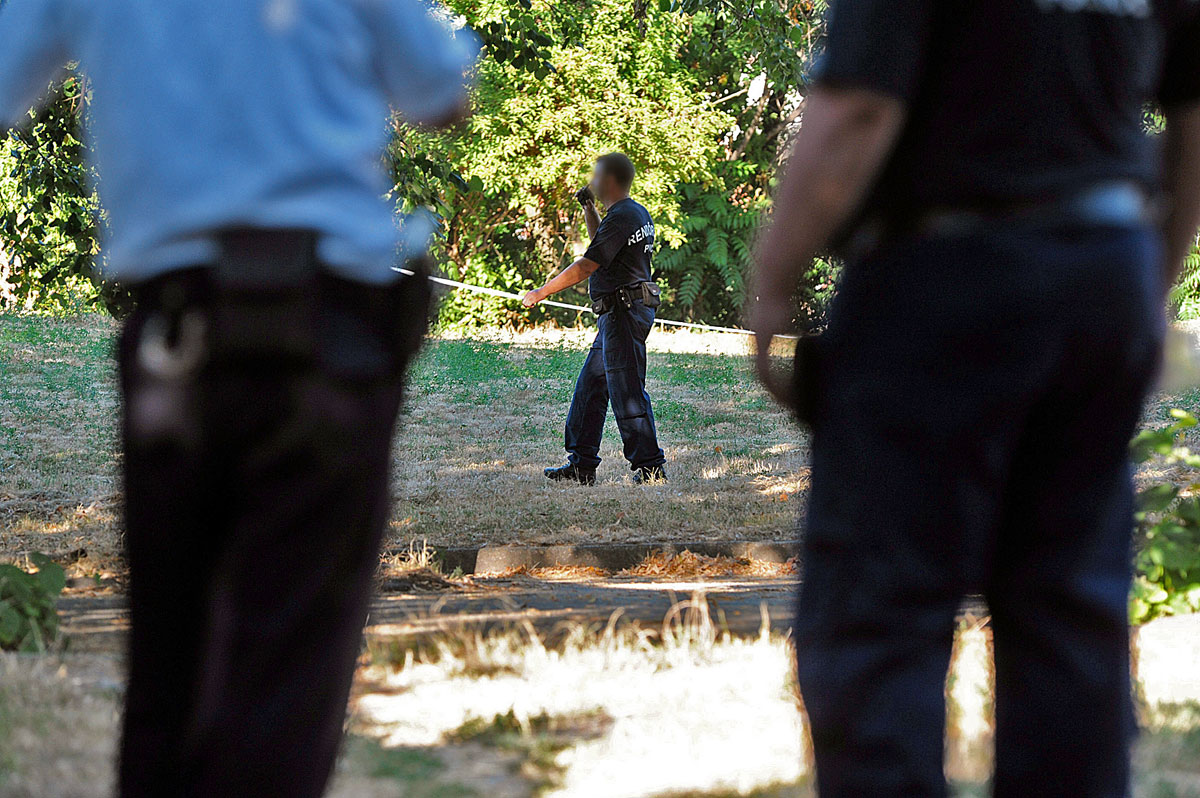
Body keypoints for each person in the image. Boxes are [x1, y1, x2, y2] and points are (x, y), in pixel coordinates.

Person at [0, 1, 477, 795]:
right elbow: (440, 96)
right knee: (283, 685)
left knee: (169, 677)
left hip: (178, 343)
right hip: (327, 342)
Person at [749, 0, 1200, 795]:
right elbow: (1194, 102)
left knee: (882, 615)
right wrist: (1147, 274)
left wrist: (774, 282)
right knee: (1069, 616)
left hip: (943, 275)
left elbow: (861, 106)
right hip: (1105, 265)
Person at [523, 152, 668, 485]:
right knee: (591, 388)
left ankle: (650, 468)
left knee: (627, 391)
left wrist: (540, 293)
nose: (593, 181)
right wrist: (589, 209)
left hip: (624, 313)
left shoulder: (624, 215)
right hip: (618, 314)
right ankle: (581, 465)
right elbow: (601, 247)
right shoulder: (631, 213)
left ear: (611, 180)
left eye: (597, 176)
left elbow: (587, 265)